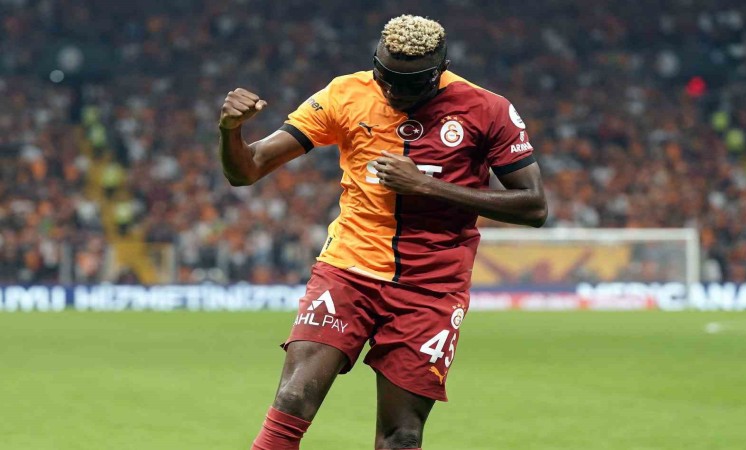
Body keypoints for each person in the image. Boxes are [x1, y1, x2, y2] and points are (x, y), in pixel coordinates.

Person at [219, 14, 547, 450]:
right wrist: (231, 131)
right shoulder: (345, 94)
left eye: (408, 84)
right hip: (347, 270)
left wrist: (425, 186)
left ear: (440, 70)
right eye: (384, 76)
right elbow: (248, 170)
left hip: (431, 287)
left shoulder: (487, 109)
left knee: (401, 437)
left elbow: (534, 206)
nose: (392, 90)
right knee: (293, 399)